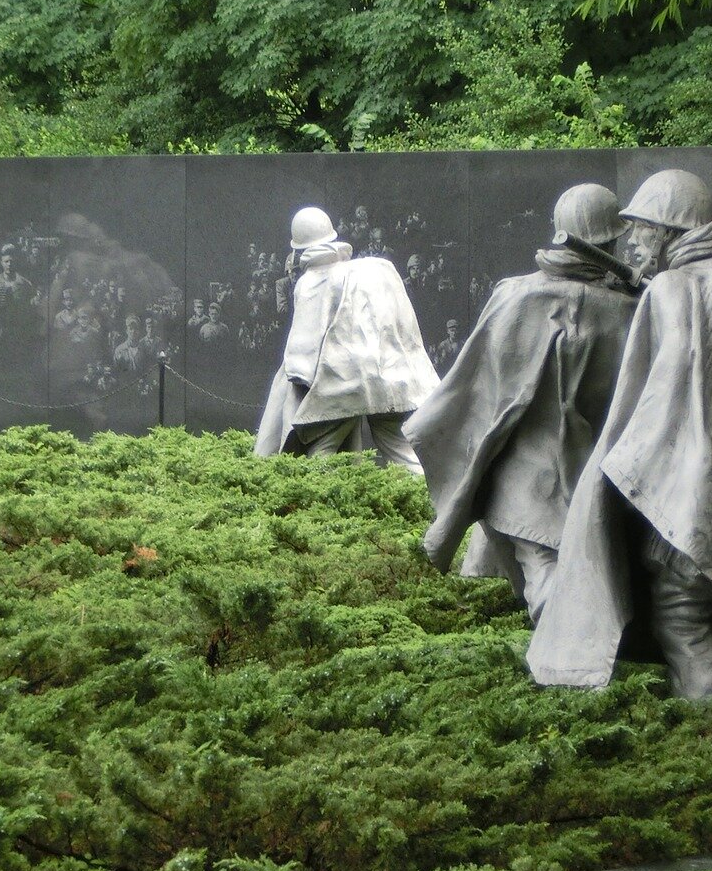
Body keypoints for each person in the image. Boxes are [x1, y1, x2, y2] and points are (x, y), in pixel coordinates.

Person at [526, 171, 712, 694]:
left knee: (682, 610)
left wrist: (617, 484)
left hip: (702, 481)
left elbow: (644, 408)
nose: (631, 244)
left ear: (668, 230)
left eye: (640, 230)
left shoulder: (673, 290)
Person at [406, 184, 640, 622]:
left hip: (521, 469)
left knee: (544, 559)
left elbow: (477, 384)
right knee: (551, 567)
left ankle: (560, 658)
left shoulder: (515, 294)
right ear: (610, 241)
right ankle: (562, 667)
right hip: (569, 470)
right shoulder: (625, 311)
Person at [255, 205, 438, 471]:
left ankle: (316, 509)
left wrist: (294, 400)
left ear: (299, 248)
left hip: (340, 385)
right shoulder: (380, 269)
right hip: (395, 379)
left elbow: (301, 358)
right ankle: (430, 508)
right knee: (402, 453)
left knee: (321, 453)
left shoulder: (312, 282)